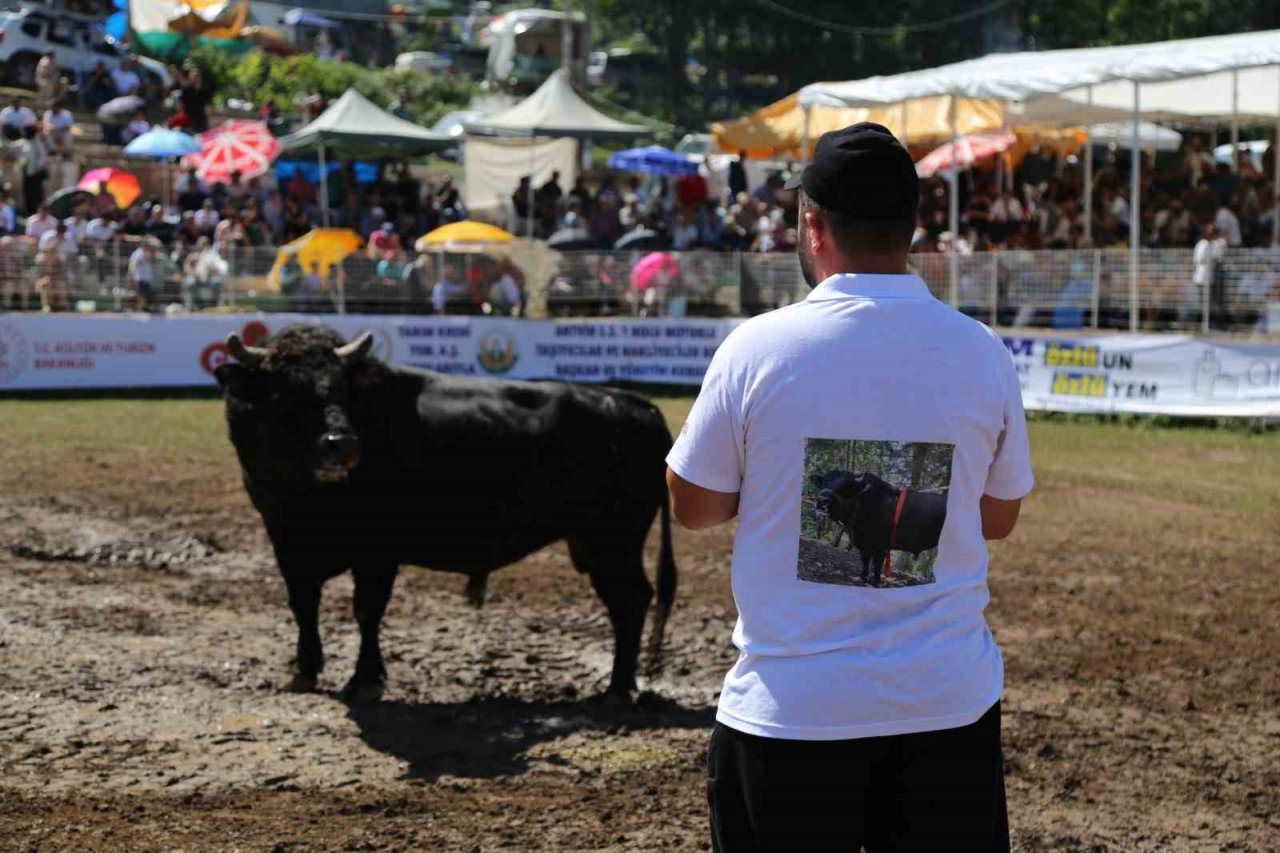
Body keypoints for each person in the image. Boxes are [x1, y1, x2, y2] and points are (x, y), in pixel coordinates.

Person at [665, 123, 1032, 852]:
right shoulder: (980, 351)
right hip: (945, 707)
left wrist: (765, 486)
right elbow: (998, 516)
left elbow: (693, 505)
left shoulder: (757, 347)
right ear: (913, 225)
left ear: (812, 225)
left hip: (792, 713)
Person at [35, 221, 74, 312]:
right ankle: (46, 306)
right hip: (45, 271)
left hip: (60, 271)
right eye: (59, 232)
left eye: (63, 232)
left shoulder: (69, 238)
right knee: (46, 283)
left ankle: (63, 306)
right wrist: (57, 241)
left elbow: (71, 256)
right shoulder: (48, 237)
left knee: (62, 284)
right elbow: (45, 253)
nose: (61, 234)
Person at [126, 238, 158, 311]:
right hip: (139, 277)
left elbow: (153, 262)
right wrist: (132, 276)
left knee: (145, 295)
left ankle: (143, 309)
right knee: (141, 295)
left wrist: (153, 253)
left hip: (148, 278)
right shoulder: (137, 253)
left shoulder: (148, 253)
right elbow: (133, 265)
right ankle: (139, 309)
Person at [0, 236, 28, 310]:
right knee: (8, 287)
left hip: (16, 279)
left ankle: (24, 308)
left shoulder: (16, 257)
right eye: (6, 245)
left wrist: (17, 276)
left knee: (23, 287)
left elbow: (21, 270)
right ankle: (7, 308)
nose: (8, 247)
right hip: (3, 280)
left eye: (10, 245)